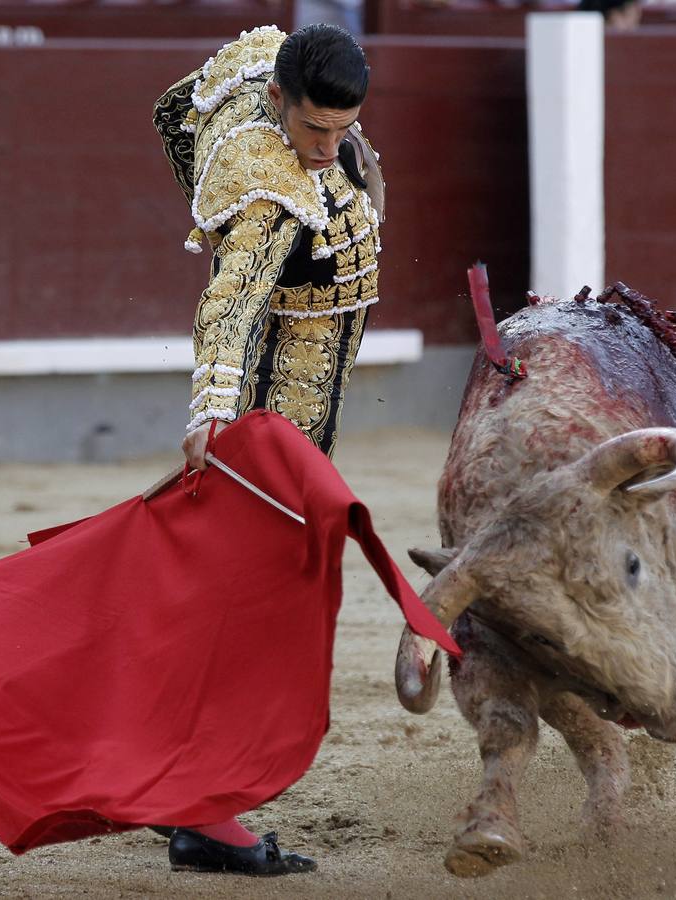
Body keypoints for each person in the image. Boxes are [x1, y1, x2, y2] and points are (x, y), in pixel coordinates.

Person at [151, 22, 385, 876]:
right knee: (254, 600)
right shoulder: (266, 185)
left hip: (296, 411)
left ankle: (184, 788)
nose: (326, 151)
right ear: (281, 103)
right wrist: (214, 413)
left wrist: (199, 200)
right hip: (272, 420)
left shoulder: (269, 66)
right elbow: (230, 306)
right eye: (313, 130)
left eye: (343, 129)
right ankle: (207, 812)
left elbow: (176, 109)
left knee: (239, 595)